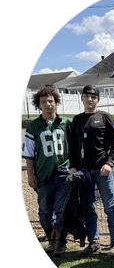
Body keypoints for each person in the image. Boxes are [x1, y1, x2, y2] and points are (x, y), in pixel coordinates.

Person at [68, 84, 114, 257]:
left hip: (102, 171)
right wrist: (73, 166)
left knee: (110, 207)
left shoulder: (105, 117)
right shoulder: (77, 120)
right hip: (83, 174)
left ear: (97, 99)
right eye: (87, 96)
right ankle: (94, 243)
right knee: (88, 208)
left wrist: (110, 163)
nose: (90, 99)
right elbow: (73, 146)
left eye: (93, 97)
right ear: (82, 98)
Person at [23, 85, 72, 255]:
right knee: (44, 210)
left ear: (56, 102)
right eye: (44, 102)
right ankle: (50, 239)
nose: (48, 104)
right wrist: (30, 174)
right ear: (39, 104)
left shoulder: (66, 123)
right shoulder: (34, 126)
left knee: (61, 209)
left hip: (63, 173)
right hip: (43, 175)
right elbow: (28, 154)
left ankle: (60, 241)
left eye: (51, 101)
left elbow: (76, 145)